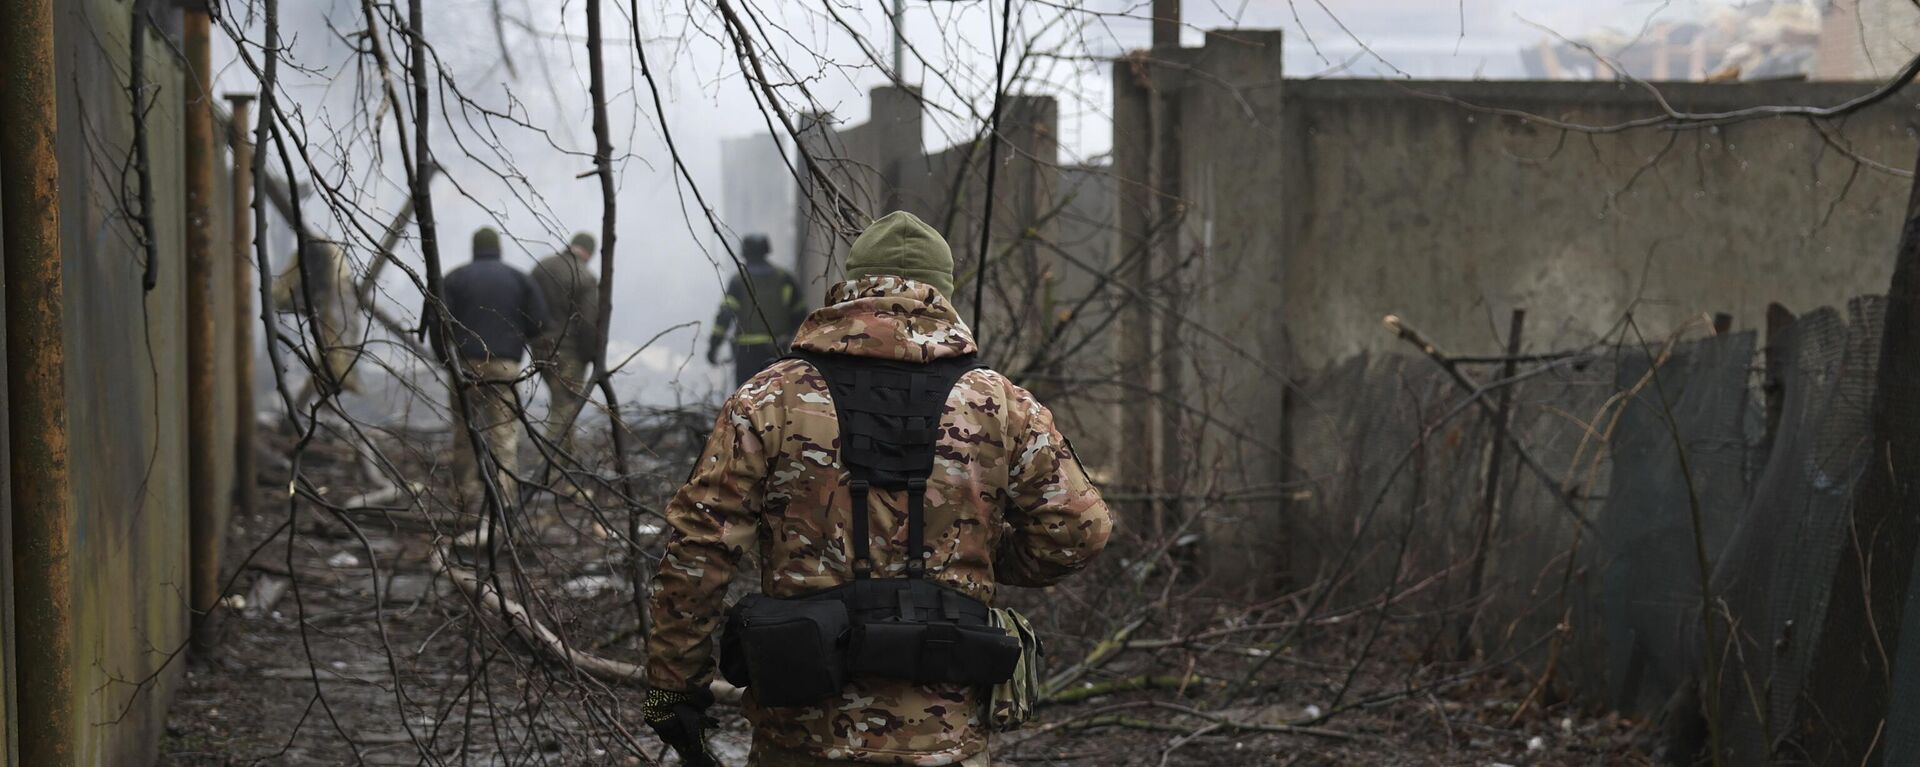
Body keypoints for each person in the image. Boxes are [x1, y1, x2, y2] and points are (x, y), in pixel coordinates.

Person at [644, 211, 1113, 766]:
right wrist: (983, 560)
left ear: (849, 286)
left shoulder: (769, 397)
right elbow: (1079, 531)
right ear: (943, 292)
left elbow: (699, 546)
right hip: (945, 738)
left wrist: (672, 689)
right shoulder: (1000, 403)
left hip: (800, 736)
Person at [426, 226, 548, 516]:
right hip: (505, 366)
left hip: (466, 365)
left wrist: (446, 357)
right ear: (498, 248)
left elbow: (435, 320)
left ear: (474, 247)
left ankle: (464, 496)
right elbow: (539, 323)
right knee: (504, 435)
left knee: (464, 432)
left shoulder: (455, 278)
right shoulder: (519, 279)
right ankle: (505, 499)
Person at [530, 231, 600, 458]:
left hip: (540, 348)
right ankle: (549, 469)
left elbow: (526, 306)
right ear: (589, 252)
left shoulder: (541, 268)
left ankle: (562, 471)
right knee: (564, 409)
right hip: (569, 354)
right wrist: (590, 355)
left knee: (561, 405)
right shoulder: (586, 277)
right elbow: (589, 323)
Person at [707, 234, 809, 385]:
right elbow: (801, 313)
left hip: (746, 353)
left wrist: (714, 346)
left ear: (745, 254)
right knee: (775, 399)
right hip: (777, 350)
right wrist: (790, 338)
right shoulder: (784, 278)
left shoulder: (738, 281)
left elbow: (725, 315)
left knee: (746, 400)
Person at [272, 239, 364, 406]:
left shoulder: (337, 286)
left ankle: (321, 397)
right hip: (321, 273)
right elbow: (280, 298)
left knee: (335, 347)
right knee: (334, 349)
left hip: (329, 275)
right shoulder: (319, 271)